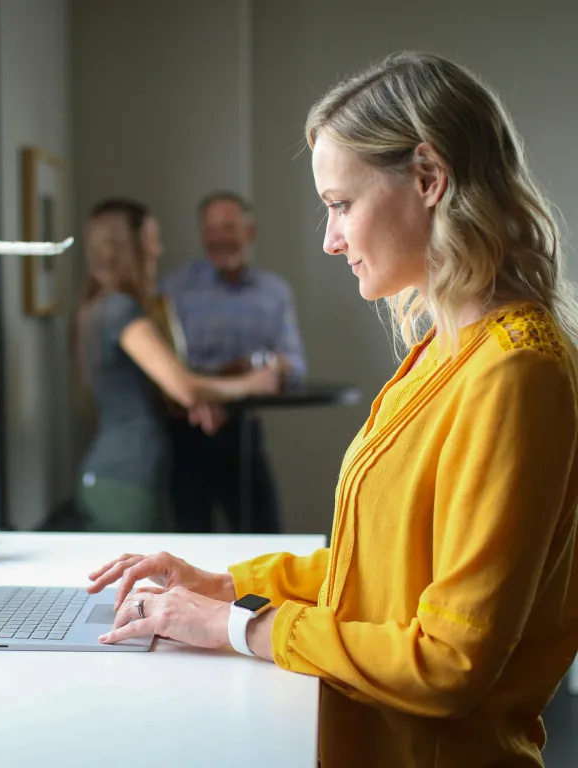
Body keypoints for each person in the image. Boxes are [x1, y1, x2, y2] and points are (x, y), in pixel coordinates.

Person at [85, 53, 578, 767]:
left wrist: (240, 627)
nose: (330, 238)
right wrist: (226, 587)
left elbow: (448, 662)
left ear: (430, 179)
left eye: (341, 204)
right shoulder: (445, 351)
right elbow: (376, 574)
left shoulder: (515, 371)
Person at [73, 198, 281, 533]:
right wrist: (252, 384)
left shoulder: (101, 307)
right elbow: (183, 384)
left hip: (119, 477)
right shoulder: (121, 311)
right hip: (125, 480)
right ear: (129, 247)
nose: (159, 249)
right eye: (151, 239)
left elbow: (162, 390)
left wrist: (194, 402)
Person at [160, 191, 307, 534]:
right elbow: (166, 369)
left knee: (264, 537)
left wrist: (267, 367)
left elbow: (296, 367)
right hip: (187, 434)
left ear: (249, 232)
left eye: (228, 227)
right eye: (211, 229)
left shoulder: (274, 291)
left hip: (244, 434)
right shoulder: (173, 289)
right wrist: (225, 380)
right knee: (191, 544)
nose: (219, 238)